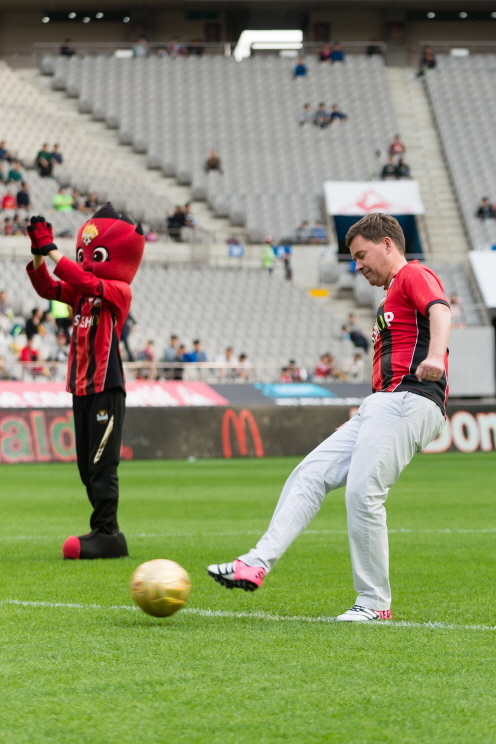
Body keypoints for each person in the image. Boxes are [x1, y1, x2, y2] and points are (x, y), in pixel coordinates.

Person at [207, 213, 451, 622]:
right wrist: (363, 416)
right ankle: (255, 563)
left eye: (361, 255)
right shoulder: (391, 295)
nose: (357, 266)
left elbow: (441, 312)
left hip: (412, 398)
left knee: (362, 493)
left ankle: (374, 604)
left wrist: (434, 357)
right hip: (384, 404)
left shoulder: (413, 274)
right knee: (310, 474)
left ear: (388, 244)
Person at [25, 203, 145, 559]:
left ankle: (107, 531)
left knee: (102, 461)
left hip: (107, 384)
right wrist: (37, 255)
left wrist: (52, 250)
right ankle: (104, 531)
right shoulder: (80, 290)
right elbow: (47, 287)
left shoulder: (119, 290)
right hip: (80, 386)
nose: (85, 259)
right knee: (85, 463)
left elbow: (84, 279)